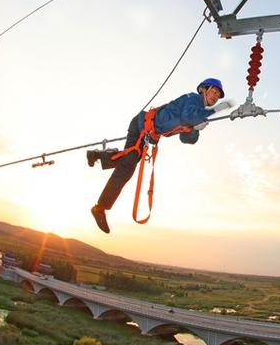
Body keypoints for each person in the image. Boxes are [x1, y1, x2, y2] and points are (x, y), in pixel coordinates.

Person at [88, 78, 233, 233]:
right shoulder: (194, 99)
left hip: (143, 127)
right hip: (142, 125)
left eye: (218, 95)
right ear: (204, 89)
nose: (216, 96)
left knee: (129, 158)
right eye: (214, 91)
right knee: (128, 165)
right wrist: (213, 111)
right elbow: (188, 118)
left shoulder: (197, 111)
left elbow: (187, 139)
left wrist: (195, 129)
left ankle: (96, 155)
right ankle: (100, 208)